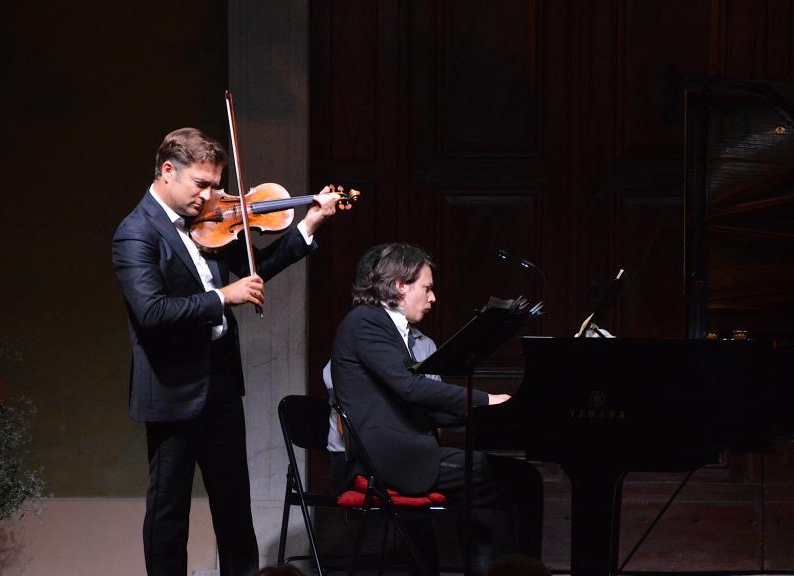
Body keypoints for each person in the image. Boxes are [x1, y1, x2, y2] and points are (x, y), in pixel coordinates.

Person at [112, 127, 341, 576]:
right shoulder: (136, 233)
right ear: (167, 171)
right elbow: (152, 311)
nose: (213, 195)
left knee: (235, 511)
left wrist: (308, 226)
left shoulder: (209, 225)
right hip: (173, 390)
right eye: (202, 184)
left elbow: (253, 274)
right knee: (168, 515)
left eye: (217, 184)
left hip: (218, 382)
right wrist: (222, 297)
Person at [329, 242, 544, 576]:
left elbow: (414, 402)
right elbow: (411, 389)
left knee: (502, 480)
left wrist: (485, 411)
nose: (433, 298)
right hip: (391, 459)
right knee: (522, 480)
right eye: (427, 288)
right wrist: (486, 401)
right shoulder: (365, 323)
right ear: (401, 285)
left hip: (404, 451)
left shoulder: (384, 327)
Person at [321, 243, 441, 483]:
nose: (432, 298)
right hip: (364, 454)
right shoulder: (361, 330)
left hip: (407, 446)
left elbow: (432, 407)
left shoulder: (424, 344)